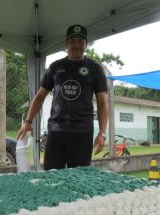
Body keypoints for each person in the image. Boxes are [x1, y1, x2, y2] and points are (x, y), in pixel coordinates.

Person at [17, 24, 109, 170]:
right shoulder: (55, 67)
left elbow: (102, 102)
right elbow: (40, 96)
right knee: (51, 178)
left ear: (86, 44)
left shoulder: (95, 69)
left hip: (82, 133)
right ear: (66, 44)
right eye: (73, 41)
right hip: (56, 132)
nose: (77, 45)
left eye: (81, 41)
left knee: (78, 180)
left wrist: (102, 133)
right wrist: (28, 121)